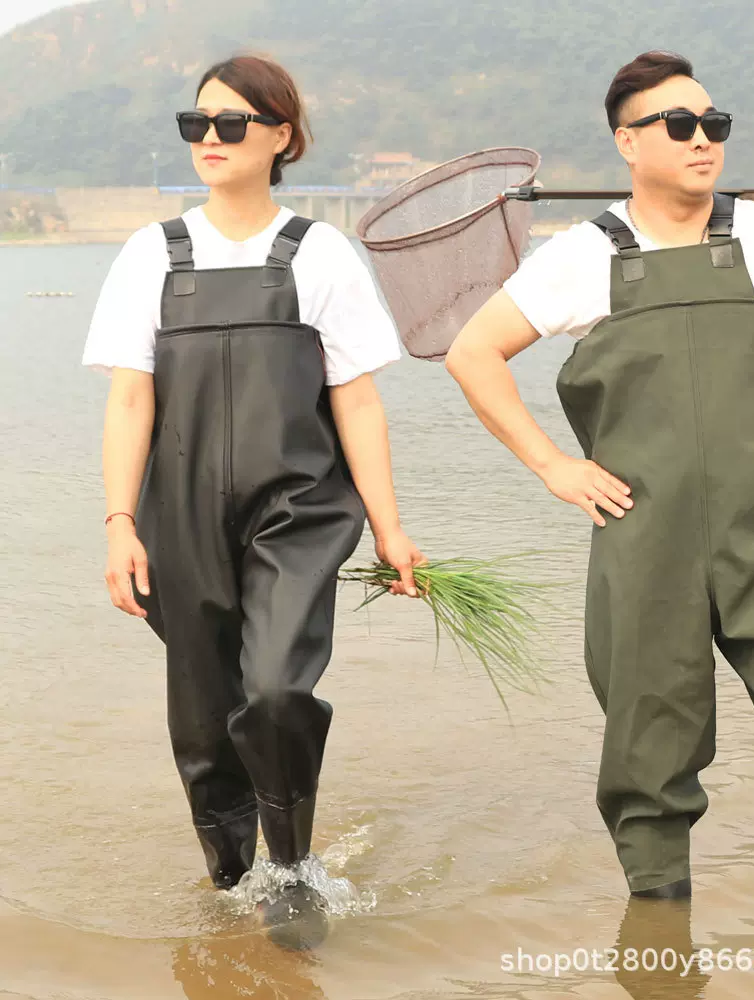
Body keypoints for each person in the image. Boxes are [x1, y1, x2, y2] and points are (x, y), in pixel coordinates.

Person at [445, 50, 754, 908]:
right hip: (643, 541)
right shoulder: (581, 256)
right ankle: (660, 947)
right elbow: (474, 354)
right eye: (681, 126)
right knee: (648, 759)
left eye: (715, 125)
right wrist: (553, 465)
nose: (705, 141)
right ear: (628, 142)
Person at [82, 54, 425, 943]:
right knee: (201, 717)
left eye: (232, 123)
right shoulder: (150, 253)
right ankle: (233, 882)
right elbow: (130, 398)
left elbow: (354, 396)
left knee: (273, 691)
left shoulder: (319, 253)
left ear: (281, 136)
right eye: (197, 123)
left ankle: (293, 865)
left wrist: (389, 528)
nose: (210, 139)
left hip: (298, 510)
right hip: (179, 515)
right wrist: (120, 522)